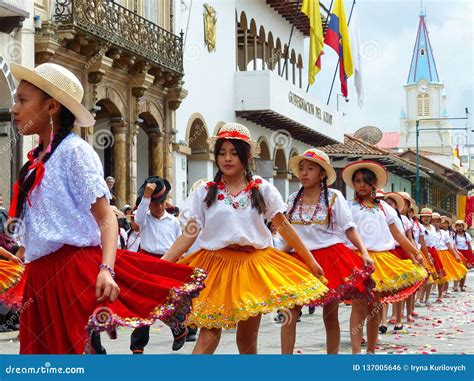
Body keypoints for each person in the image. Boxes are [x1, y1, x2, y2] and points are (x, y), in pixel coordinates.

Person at [9, 62, 205, 354]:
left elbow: (106, 218)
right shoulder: (36, 160)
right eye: (16, 100)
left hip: (70, 270)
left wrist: (106, 269)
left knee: (69, 356)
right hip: (40, 276)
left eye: (23, 100)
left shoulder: (75, 152)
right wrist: (20, 260)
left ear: (51, 107)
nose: (14, 108)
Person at [162, 123, 328, 354]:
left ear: (247, 156)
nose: (227, 158)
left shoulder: (262, 189)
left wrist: (309, 259)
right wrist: (161, 265)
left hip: (252, 267)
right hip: (214, 268)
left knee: (247, 338)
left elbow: (284, 226)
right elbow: (189, 234)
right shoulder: (204, 192)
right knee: (209, 334)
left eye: (234, 153)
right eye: (222, 153)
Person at [283, 149, 375, 354]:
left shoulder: (333, 197)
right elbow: (292, 235)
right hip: (299, 259)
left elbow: (349, 227)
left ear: (322, 173)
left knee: (329, 314)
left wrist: (364, 252)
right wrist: (279, 255)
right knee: (290, 312)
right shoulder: (292, 199)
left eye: (310, 169)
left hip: (330, 259)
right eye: (301, 169)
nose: (304, 173)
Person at [341, 160, 427, 354]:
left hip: (382, 261)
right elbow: (344, 232)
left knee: (375, 306)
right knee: (358, 305)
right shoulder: (348, 207)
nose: (362, 185)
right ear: (353, 184)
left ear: (374, 184)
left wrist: (415, 253)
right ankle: (356, 352)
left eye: (366, 181)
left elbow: (398, 235)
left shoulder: (385, 209)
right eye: (357, 181)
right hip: (358, 260)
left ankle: (371, 350)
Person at [130, 176, 185, 353]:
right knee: (143, 304)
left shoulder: (173, 222)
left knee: (167, 300)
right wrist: (146, 197)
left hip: (167, 262)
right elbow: (137, 220)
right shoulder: (144, 218)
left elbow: (179, 244)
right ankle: (137, 345)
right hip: (146, 262)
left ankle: (178, 328)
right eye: (155, 204)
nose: (159, 207)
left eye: (162, 203)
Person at [453, 220, 472, 292]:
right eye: (457, 226)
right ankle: (455, 286)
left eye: (460, 226)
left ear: (463, 227)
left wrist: (471, 256)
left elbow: (469, 245)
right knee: (457, 269)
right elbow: (453, 245)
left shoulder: (467, 235)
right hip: (458, 252)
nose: (459, 227)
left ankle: (462, 285)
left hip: (466, 253)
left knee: (464, 270)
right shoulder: (454, 235)